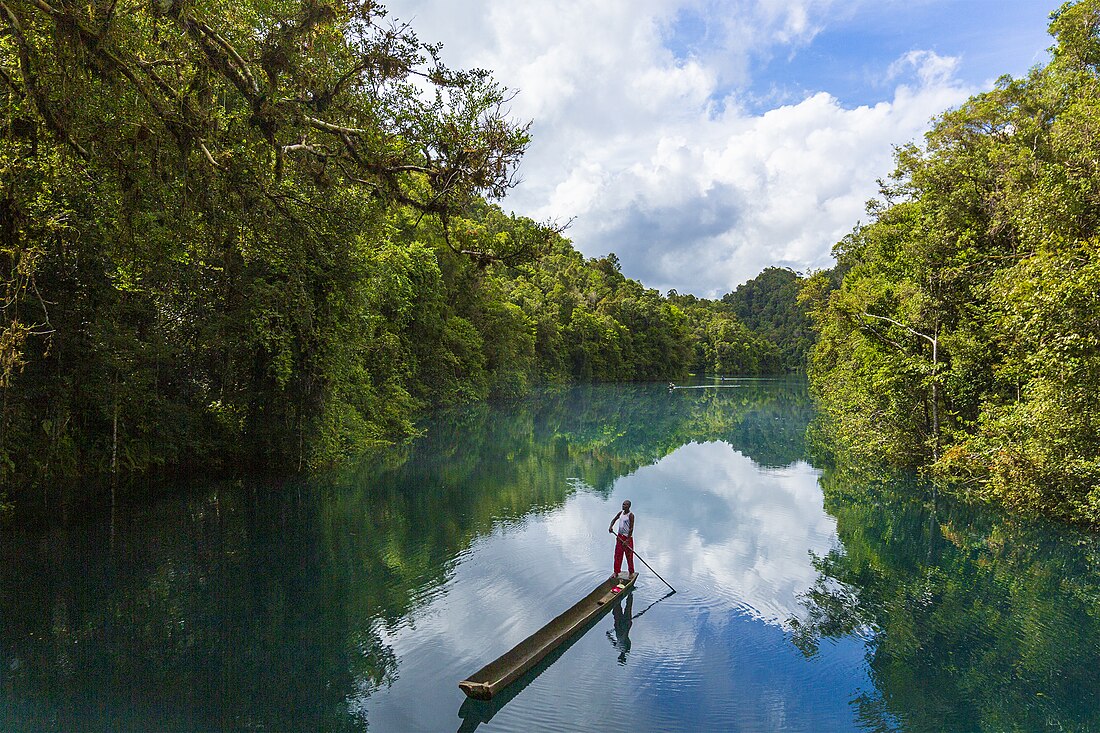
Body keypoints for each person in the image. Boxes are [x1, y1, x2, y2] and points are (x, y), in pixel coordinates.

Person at [608, 499, 635, 577]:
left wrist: (627, 540)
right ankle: (616, 572)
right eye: (623, 504)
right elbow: (614, 519)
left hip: (627, 538)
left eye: (625, 505)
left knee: (629, 556)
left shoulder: (631, 515)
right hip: (619, 537)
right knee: (617, 555)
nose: (623, 506)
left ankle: (631, 572)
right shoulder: (620, 513)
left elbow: (631, 528)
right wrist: (610, 527)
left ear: (629, 506)